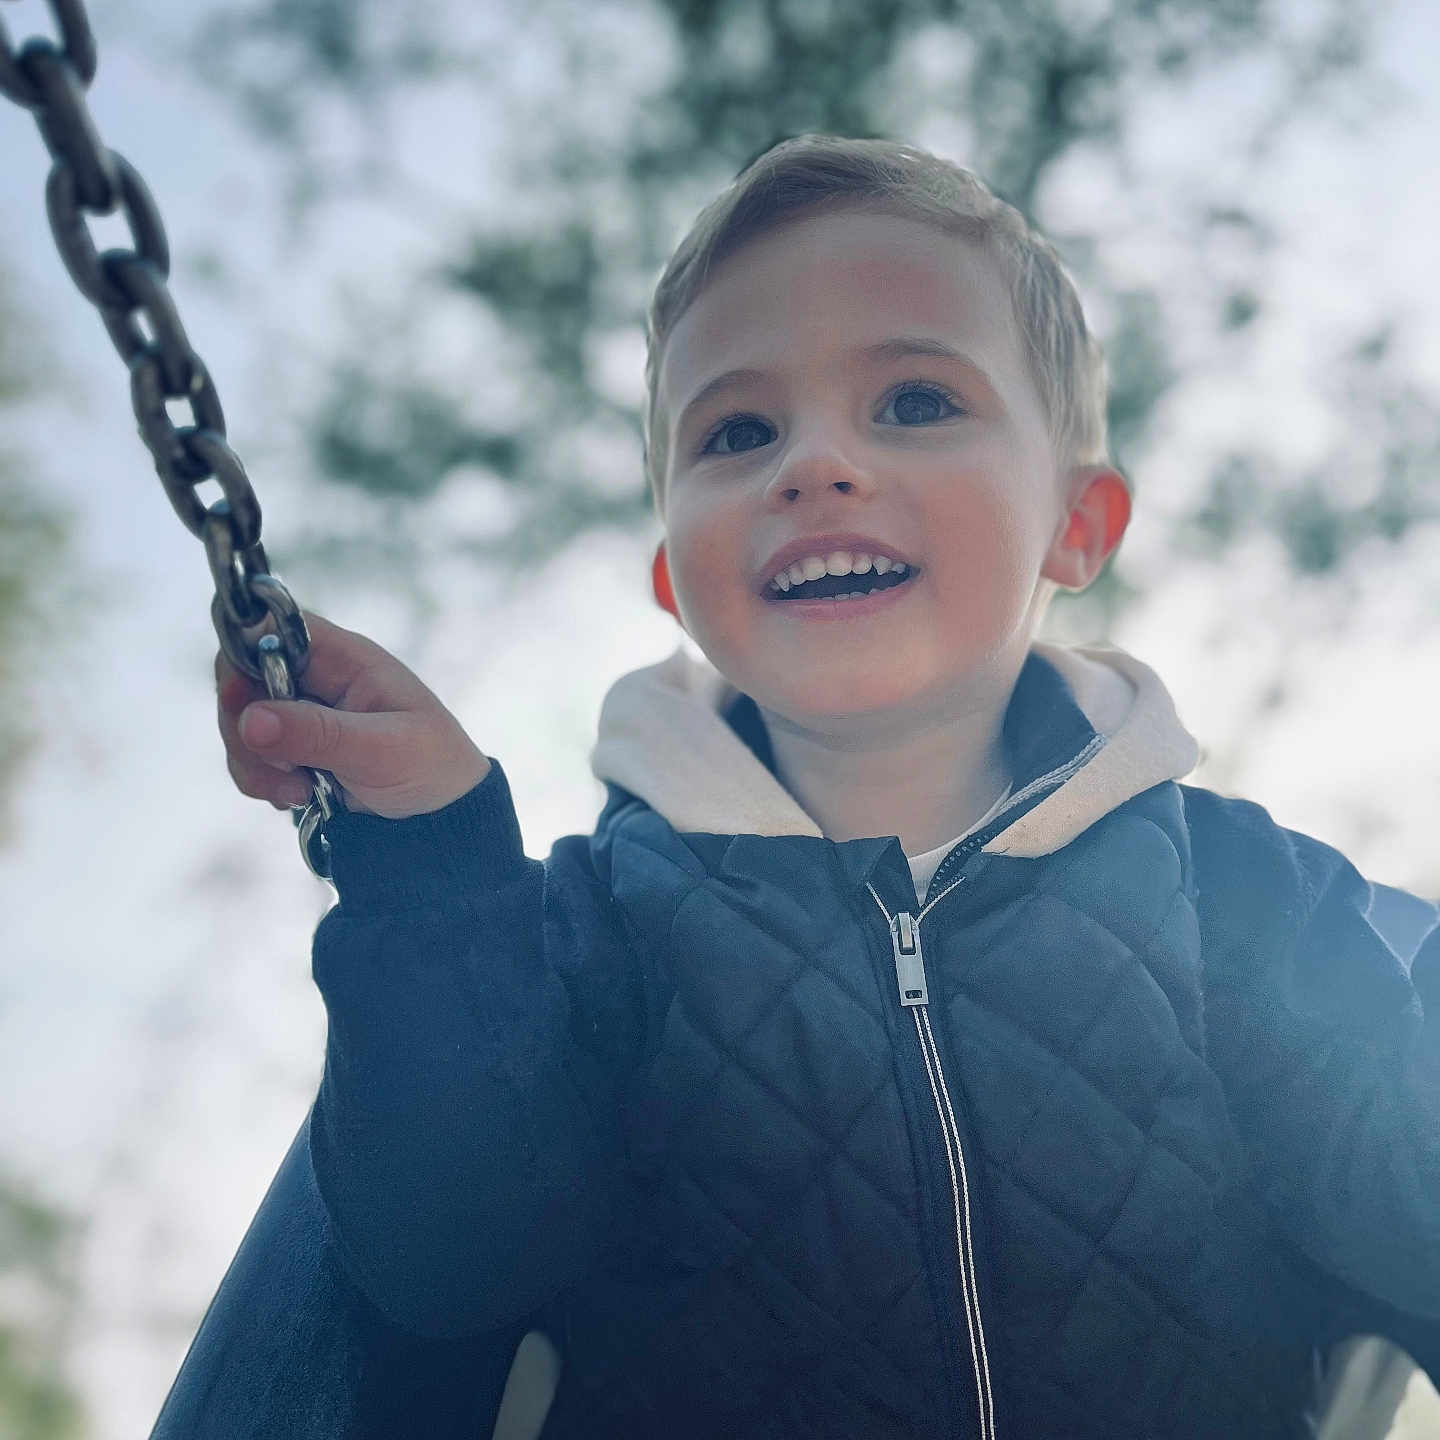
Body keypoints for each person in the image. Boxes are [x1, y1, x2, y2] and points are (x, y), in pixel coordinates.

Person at [180, 135, 1438, 1439]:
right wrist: (435, 866)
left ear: (1079, 526)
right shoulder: (591, 933)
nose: (815, 465)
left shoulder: (1238, 896)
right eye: (738, 431)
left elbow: (1412, 1209)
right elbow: (447, 1263)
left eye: (913, 404)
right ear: (677, 581)